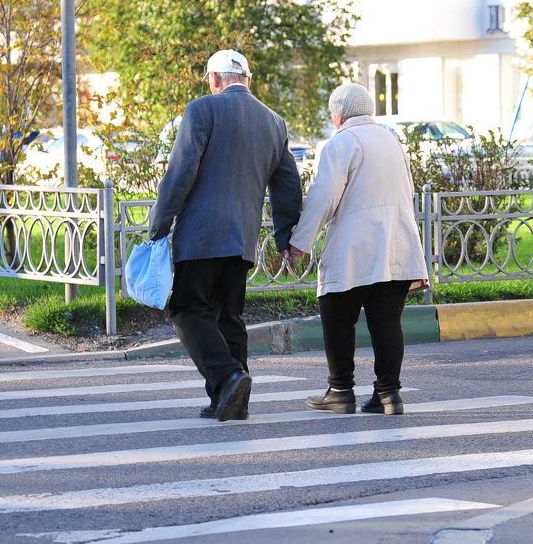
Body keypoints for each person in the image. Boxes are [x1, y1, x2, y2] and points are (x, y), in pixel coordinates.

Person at [149, 49, 302, 421]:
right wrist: (285, 236)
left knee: (187, 309)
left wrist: (160, 222)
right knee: (228, 316)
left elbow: (181, 171)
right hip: (243, 238)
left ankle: (228, 376)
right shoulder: (274, 121)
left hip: (201, 236)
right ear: (247, 79)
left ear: (216, 79)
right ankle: (231, 399)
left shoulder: (202, 110)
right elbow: (288, 185)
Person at [286, 83, 429, 416]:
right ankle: (389, 395)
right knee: (386, 321)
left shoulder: (342, 142)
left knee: (336, 313)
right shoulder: (392, 141)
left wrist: (300, 242)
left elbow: (324, 195)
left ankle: (340, 391)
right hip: (398, 242)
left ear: (338, 115)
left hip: (356, 246)